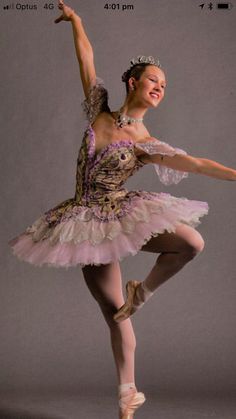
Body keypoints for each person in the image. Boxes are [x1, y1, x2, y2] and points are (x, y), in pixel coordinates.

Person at [8, 1, 236, 418]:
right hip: (83, 221)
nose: (160, 88)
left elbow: (197, 164)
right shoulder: (98, 108)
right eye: (154, 80)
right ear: (133, 82)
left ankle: (142, 291)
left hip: (120, 211)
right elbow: (86, 58)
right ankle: (127, 399)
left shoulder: (146, 143)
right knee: (114, 315)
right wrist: (76, 21)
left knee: (191, 241)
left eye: (165, 85)